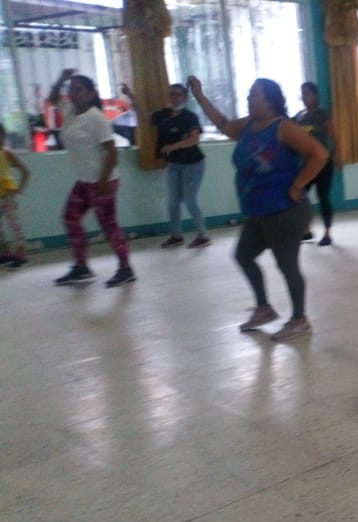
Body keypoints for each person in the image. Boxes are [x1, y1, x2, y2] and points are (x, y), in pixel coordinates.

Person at [188, 76, 328, 341]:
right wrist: (199, 95)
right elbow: (223, 124)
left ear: (270, 100)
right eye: (249, 94)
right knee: (243, 256)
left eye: (255, 95)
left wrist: (297, 184)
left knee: (287, 266)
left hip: (285, 211)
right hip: (258, 211)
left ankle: (300, 319)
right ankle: (264, 309)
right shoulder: (249, 125)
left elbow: (319, 154)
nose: (249, 99)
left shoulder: (283, 127)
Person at [49, 69, 135, 287]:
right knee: (70, 219)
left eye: (79, 90)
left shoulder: (96, 118)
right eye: (71, 89)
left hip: (103, 182)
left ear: (90, 94)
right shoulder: (69, 111)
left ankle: (126, 269)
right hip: (84, 181)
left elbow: (111, 151)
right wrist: (61, 79)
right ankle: (81, 267)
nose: (73, 93)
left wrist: (104, 181)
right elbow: (53, 98)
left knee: (109, 226)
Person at [123, 82, 211, 249]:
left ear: (185, 98)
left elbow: (194, 139)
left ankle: (203, 236)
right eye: (171, 94)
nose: (174, 97)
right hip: (173, 164)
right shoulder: (163, 115)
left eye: (177, 94)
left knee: (190, 200)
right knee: (172, 202)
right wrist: (130, 95)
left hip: (193, 164)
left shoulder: (190, 117)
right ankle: (176, 236)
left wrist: (174, 146)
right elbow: (143, 114)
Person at [294, 82, 336, 246]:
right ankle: (306, 230)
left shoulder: (322, 114)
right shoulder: (299, 116)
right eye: (302, 94)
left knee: (323, 196)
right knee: (300, 194)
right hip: (306, 164)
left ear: (315, 95)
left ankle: (327, 233)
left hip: (323, 163)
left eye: (307, 93)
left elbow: (333, 135)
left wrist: (336, 155)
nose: (304, 97)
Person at [0, 124, 31, 269]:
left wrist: (20, 188)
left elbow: (26, 171)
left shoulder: (7, 154)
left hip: (7, 196)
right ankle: (7, 253)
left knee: (14, 226)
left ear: (4, 137)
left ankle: (21, 254)